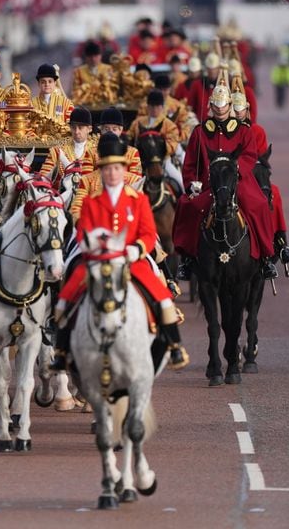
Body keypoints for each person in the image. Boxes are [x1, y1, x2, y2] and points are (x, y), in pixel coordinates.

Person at [50, 133, 189, 372]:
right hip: (98, 259)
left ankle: (174, 345)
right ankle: (61, 352)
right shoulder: (92, 200)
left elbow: (147, 233)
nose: (112, 174)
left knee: (162, 295)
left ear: (123, 169)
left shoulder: (138, 199)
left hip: (130, 260)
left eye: (116, 169)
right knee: (65, 297)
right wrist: (92, 245)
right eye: (107, 169)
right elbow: (83, 230)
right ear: (101, 170)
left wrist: (136, 250)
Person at [173, 69, 278, 281]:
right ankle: (187, 258)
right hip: (208, 184)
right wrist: (191, 184)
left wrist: (235, 170)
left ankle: (266, 257)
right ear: (211, 106)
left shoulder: (244, 130)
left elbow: (249, 155)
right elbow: (190, 162)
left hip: (237, 181)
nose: (220, 111)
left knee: (258, 206)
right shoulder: (200, 131)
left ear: (230, 106)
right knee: (188, 206)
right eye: (216, 107)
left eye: (224, 107)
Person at [230, 77, 289, 265]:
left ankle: (280, 242)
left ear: (246, 110)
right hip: (227, 177)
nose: (237, 112)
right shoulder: (223, 131)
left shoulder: (257, 131)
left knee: (273, 193)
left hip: (251, 176)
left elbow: (259, 158)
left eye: (240, 109)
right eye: (234, 109)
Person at [39, 105, 97, 181]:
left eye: (80, 128)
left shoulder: (96, 151)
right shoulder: (57, 151)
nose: (76, 132)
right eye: (73, 127)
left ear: (89, 129)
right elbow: (44, 177)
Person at [139, 72, 193, 142]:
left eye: (165, 90)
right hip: (148, 140)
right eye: (160, 89)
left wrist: (177, 139)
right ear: (154, 89)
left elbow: (185, 126)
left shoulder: (178, 106)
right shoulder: (145, 105)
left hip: (172, 140)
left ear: (169, 89)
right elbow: (140, 123)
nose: (162, 93)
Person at [129, 90, 181, 157]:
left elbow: (173, 143)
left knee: (170, 167)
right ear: (147, 107)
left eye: (157, 106)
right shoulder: (137, 122)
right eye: (152, 106)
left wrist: (158, 148)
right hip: (140, 157)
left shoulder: (170, 125)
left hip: (162, 158)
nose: (154, 109)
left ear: (162, 107)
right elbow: (129, 137)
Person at [98, 106, 143, 175]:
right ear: (101, 129)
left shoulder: (132, 153)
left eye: (114, 129)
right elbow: (86, 178)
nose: (110, 132)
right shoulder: (91, 152)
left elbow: (136, 180)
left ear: (121, 130)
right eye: (106, 129)